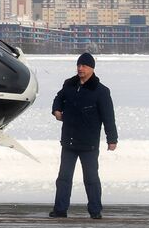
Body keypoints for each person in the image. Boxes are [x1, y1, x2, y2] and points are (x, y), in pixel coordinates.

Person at [49, 53, 118, 219]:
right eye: (79, 65)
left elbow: (108, 117)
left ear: (92, 68)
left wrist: (112, 139)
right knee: (64, 178)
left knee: (91, 178)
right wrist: (56, 110)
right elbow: (58, 98)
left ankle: (95, 210)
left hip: (89, 143)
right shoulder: (69, 85)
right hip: (69, 140)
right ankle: (60, 210)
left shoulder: (101, 91)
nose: (80, 69)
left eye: (84, 66)